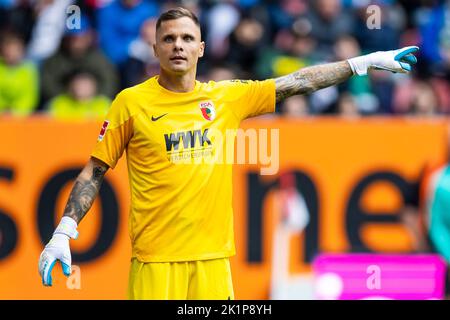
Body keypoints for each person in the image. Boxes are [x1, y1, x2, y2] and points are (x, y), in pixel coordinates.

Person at [38, 7, 419, 299]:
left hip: (214, 263)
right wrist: (64, 231)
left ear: (201, 48)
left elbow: (297, 81)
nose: (178, 46)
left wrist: (362, 63)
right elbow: (95, 170)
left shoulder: (226, 97)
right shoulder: (130, 103)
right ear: (155, 48)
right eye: (168, 39)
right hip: (155, 262)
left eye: (187, 38)